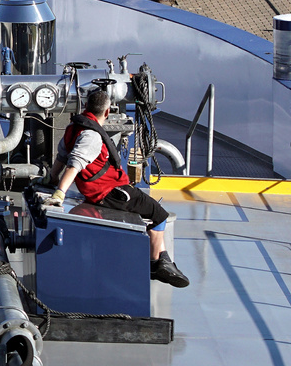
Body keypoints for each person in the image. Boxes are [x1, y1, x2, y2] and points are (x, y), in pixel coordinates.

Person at [43, 87, 191, 287]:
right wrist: (59, 194)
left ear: (86, 106)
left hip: (99, 191)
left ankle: (161, 259)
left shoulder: (73, 128)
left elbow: (62, 156)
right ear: (106, 112)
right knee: (159, 214)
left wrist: (51, 179)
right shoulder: (92, 135)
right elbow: (74, 164)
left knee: (148, 214)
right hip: (110, 192)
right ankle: (157, 263)